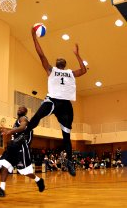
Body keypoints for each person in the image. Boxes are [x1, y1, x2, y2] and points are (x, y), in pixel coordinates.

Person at [27, 28, 87, 176]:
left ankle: (70, 162)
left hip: (66, 105)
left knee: (66, 136)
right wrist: (33, 36)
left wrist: (78, 55)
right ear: (57, 63)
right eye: (58, 58)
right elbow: (40, 54)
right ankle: (25, 134)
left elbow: (84, 70)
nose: (60, 59)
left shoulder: (70, 73)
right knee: (36, 117)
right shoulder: (50, 70)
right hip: (52, 100)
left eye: (62, 59)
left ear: (64, 64)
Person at [0, 106, 45, 197]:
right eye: (18, 108)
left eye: (22, 109)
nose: (19, 109)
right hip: (13, 147)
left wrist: (9, 131)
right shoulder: (16, 122)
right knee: (4, 165)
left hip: (21, 148)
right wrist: (8, 132)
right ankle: (1, 189)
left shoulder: (24, 119)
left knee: (25, 172)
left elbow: (23, 127)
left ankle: (39, 180)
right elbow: (16, 133)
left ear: (25, 112)